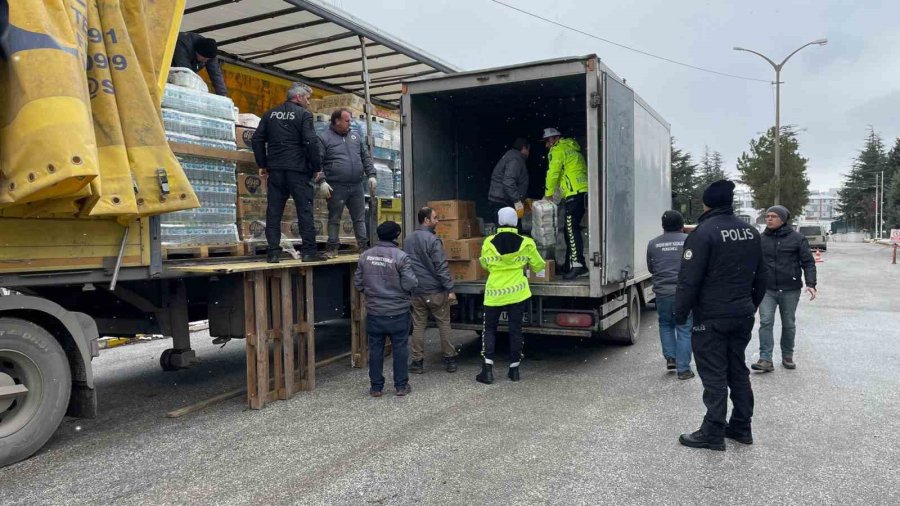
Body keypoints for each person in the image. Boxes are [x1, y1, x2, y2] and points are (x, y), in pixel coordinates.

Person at [674, 180, 768, 451]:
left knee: (714, 373)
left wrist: (680, 313)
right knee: (737, 370)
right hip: (742, 314)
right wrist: (750, 305)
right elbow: (762, 276)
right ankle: (741, 426)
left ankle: (712, 431)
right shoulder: (751, 232)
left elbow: (689, 280)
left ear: (707, 203)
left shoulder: (703, 234)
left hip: (711, 316)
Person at [251, 83, 325, 263]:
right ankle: (308, 252)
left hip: (276, 170)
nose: (308, 102)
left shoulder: (270, 113)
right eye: (307, 98)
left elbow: (257, 139)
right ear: (298, 97)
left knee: (274, 212)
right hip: (298, 170)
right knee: (304, 211)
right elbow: (311, 141)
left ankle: (273, 253)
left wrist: (263, 164)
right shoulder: (304, 115)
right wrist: (317, 167)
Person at [475, 207, 546, 384]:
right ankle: (514, 370)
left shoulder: (488, 242)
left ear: (499, 221)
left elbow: (485, 265)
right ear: (515, 221)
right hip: (517, 293)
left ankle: (487, 370)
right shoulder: (527, 242)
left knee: (489, 329)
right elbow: (539, 265)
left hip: (494, 293)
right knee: (516, 330)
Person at [354, 221, 417, 397]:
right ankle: (401, 386)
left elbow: (358, 283)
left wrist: (372, 292)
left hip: (374, 312)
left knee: (375, 350)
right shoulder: (401, 257)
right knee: (400, 349)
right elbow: (410, 283)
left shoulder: (365, 256)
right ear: (397, 235)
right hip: (398, 311)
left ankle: (376, 387)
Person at [752, 205, 817, 372]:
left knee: (788, 323)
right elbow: (753, 263)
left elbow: (808, 263)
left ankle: (787, 355)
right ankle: (765, 358)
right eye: (767, 216)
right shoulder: (760, 239)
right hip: (767, 289)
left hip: (790, 288)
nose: (769, 219)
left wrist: (811, 284)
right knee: (766, 322)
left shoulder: (797, 239)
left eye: (773, 216)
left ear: (782, 219)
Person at [403, 207, 458, 374]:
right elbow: (441, 267)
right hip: (435, 291)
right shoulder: (433, 240)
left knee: (419, 325)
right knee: (444, 324)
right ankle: (450, 360)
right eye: (435, 218)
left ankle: (417, 362)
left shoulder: (408, 240)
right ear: (426, 220)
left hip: (417, 291)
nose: (437, 221)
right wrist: (450, 288)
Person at [318, 109, 377, 256]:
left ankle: (363, 247)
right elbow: (317, 162)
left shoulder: (355, 137)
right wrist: (322, 181)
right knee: (334, 218)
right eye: (347, 120)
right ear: (337, 121)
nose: (350, 123)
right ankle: (332, 248)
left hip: (356, 185)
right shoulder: (324, 138)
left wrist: (371, 175)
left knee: (359, 218)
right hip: (336, 186)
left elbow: (365, 158)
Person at [647, 210, 694, 380]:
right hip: (683, 292)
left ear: (663, 226)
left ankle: (671, 358)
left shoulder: (653, 244)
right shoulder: (689, 241)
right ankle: (684, 370)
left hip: (662, 292)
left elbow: (651, 268)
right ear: (682, 225)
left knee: (666, 324)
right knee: (684, 328)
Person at [541, 128, 588, 280]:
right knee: (572, 230)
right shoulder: (572, 148)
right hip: (582, 192)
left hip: (574, 193)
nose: (547, 145)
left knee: (571, 229)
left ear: (555, 138)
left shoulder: (558, 150)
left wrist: (548, 195)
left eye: (548, 141)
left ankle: (577, 265)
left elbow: (553, 173)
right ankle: (572, 264)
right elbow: (567, 173)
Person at [487, 138, 530, 222]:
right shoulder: (516, 159)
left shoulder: (510, 155)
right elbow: (508, 181)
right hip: (503, 202)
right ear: (524, 148)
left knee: (503, 226)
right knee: (511, 227)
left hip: (499, 199)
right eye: (528, 150)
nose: (529, 153)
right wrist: (517, 201)